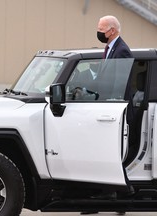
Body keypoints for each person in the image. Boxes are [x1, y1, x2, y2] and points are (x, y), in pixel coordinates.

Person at [80, 15, 134, 216]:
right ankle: (117, 194)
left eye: (101, 29)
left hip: (114, 109)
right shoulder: (110, 48)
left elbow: (118, 84)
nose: (99, 32)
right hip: (106, 107)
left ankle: (124, 192)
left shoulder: (121, 51)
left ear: (112, 30)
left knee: (111, 152)